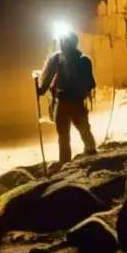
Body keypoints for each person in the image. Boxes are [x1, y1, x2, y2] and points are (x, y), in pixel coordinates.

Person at [37, 30, 97, 164]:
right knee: (84, 131)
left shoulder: (57, 59)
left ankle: (66, 162)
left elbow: (46, 80)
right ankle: (91, 156)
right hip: (76, 103)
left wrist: (40, 90)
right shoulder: (84, 60)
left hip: (63, 103)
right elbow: (91, 84)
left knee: (65, 137)